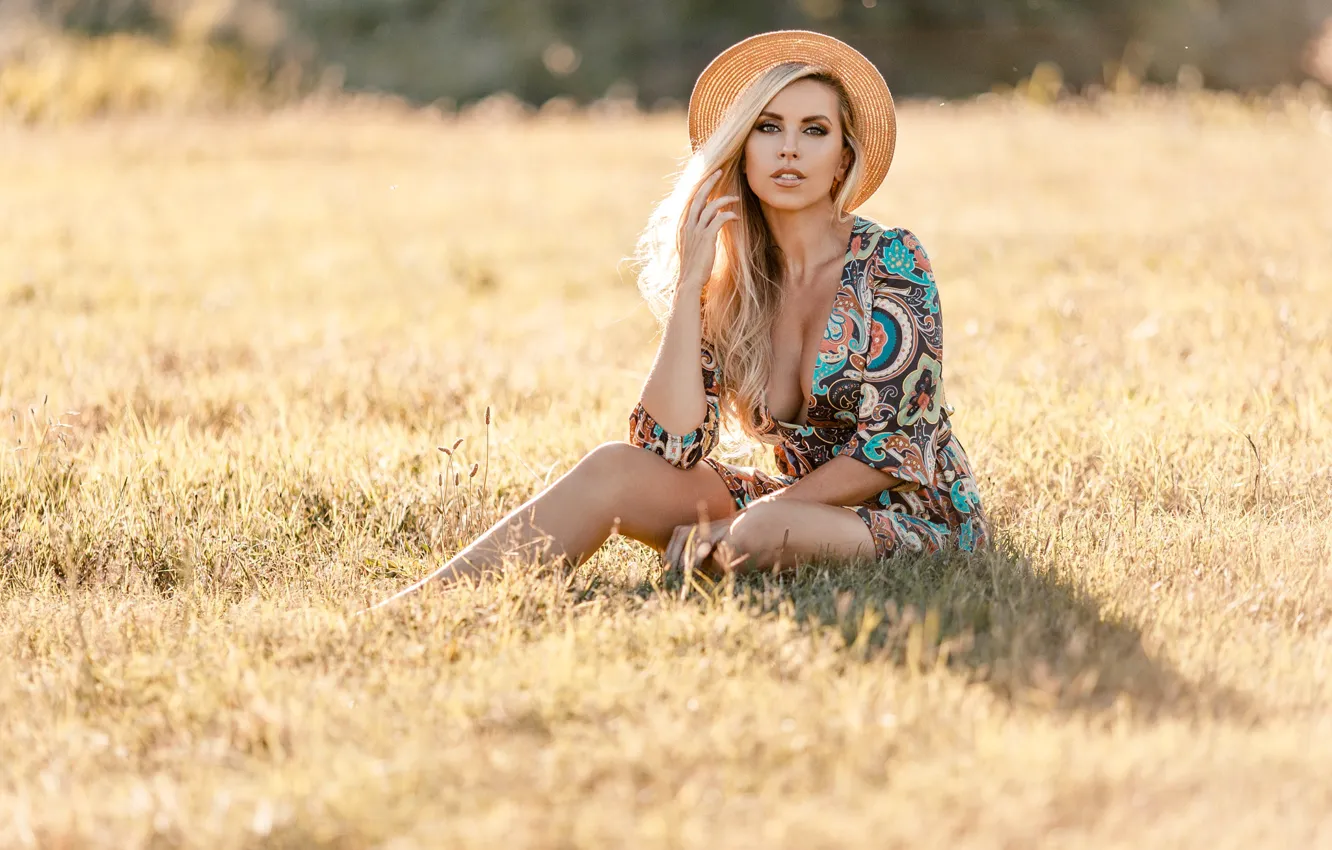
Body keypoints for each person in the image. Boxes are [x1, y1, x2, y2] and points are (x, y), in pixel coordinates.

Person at [371, 30, 990, 604]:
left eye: (815, 130)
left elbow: (890, 450)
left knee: (760, 529)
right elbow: (666, 446)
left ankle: (737, 543)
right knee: (614, 467)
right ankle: (422, 607)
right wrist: (693, 284)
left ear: (844, 156)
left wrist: (740, 524)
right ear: (742, 151)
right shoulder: (736, 283)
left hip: (917, 516)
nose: (791, 149)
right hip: (788, 508)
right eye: (768, 128)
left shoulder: (891, 260)